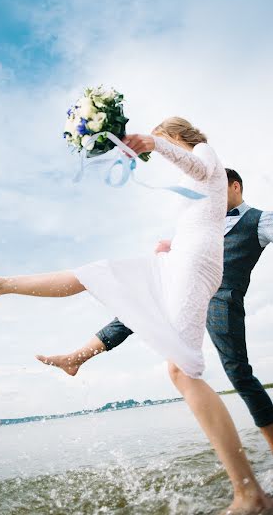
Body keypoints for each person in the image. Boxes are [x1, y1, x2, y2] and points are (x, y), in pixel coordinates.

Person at [0, 117, 272, 514]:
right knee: (100, 275)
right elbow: (202, 219)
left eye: (167, 139)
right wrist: (169, 245)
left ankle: (250, 495)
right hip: (178, 262)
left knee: (183, 371)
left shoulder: (205, 155)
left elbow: (199, 169)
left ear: (177, 135)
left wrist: (154, 143)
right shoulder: (196, 185)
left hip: (194, 268)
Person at [38, 169, 273, 455]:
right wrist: (168, 249)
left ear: (235, 187)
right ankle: (76, 358)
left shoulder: (259, 220)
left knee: (238, 371)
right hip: (186, 289)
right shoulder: (200, 225)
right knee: (139, 305)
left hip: (222, 298)